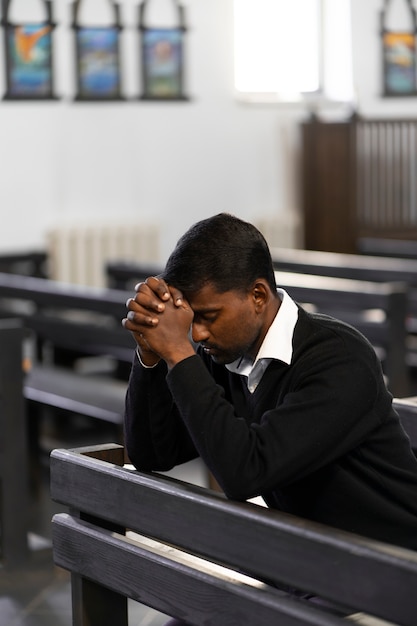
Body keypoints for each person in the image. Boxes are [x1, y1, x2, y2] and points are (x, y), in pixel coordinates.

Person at [122, 213, 417, 621]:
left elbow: (246, 472)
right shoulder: (227, 356)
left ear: (258, 296)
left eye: (207, 316)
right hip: (301, 560)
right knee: (184, 613)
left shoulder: (338, 359)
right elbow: (152, 453)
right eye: (192, 321)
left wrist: (179, 353)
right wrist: (151, 353)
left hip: (385, 568)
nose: (199, 335)